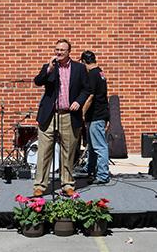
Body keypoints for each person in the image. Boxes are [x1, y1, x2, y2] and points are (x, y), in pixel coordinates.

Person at [33, 39, 90, 197]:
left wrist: (79, 101)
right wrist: (49, 69)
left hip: (69, 115)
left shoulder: (79, 68)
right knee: (44, 151)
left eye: (62, 50)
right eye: (56, 49)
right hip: (49, 115)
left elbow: (87, 89)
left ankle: (67, 184)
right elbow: (38, 81)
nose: (58, 52)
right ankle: (40, 185)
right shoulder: (49, 67)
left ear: (68, 51)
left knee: (68, 151)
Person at [80, 50, 110, 184]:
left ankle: (103, 175)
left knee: (99, 146)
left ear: (83, 62)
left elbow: (91, 96)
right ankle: (89, 168)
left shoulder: (92, 74)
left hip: (96, 115)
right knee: (92, 146)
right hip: (100, 113)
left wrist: (82, 112)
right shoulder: (100, 73)